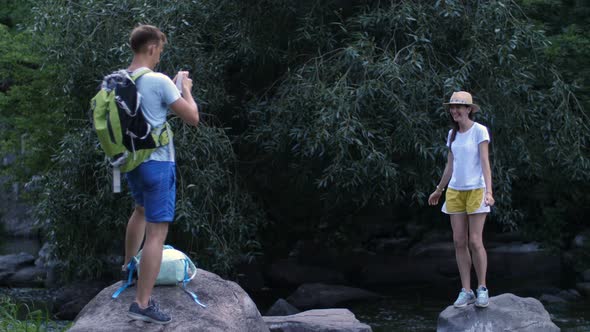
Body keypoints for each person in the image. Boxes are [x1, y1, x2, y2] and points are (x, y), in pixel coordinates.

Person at [121, 24, 199, 324]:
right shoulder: (158, 80)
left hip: (131, 162)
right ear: (152, 48)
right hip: (158, 164)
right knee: (157, 232)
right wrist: (186, 90)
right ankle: (142, 304)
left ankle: (128, 266)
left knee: (139, 210)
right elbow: (192, 117)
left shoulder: (118, 81)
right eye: (160, 51)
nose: (159, 57)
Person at [428, 91, 494, 308]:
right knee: (459, 241)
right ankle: (466, 291)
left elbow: (485, 162)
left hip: (476, 190)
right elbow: (450, 165)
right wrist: (439, 189)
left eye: (459, 106)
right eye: (452, 107)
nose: (454, 110)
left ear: (468, 109)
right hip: (455, 191)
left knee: (475, 241)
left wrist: (489, 192)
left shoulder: (479, 131)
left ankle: (482, 288)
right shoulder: (452, 134)